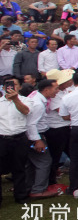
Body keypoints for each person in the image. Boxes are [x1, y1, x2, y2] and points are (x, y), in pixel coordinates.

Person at [0, 75, 31, 207]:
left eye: (14, 85)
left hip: (19, 137)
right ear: (3, 87)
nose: (11, 87)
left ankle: (21, 196)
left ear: (19, 87)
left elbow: (26, 111)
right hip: (2, 138)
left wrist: (15, 99)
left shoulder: (25, 100)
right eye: (8, 85)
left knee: (19, 168)